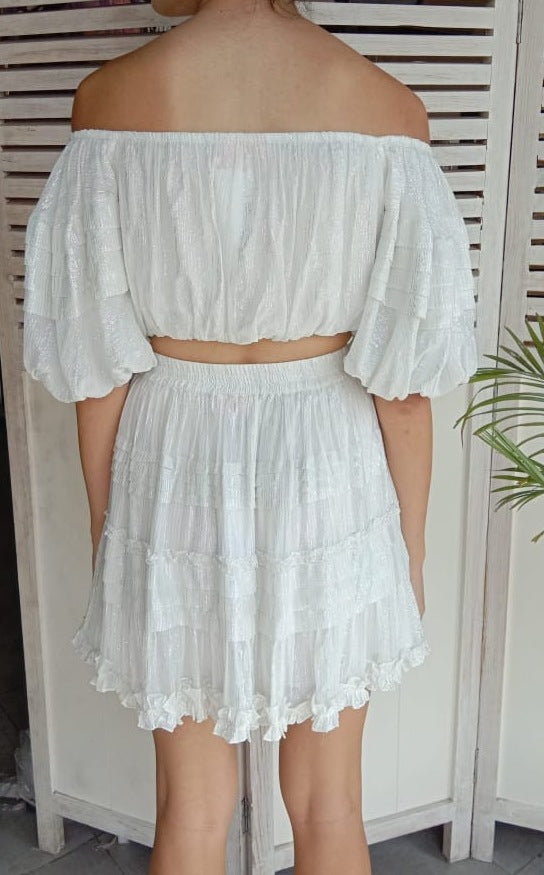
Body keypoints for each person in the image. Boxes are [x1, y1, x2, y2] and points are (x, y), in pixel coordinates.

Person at [21, 0, 479, 872]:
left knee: (190, 809)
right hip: (328, 462)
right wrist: (408, 547)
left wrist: (110, 529)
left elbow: (96, 370)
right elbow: (405, 393)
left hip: (172, 460)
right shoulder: (386, 108)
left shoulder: (110, 102)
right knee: (330, 804)